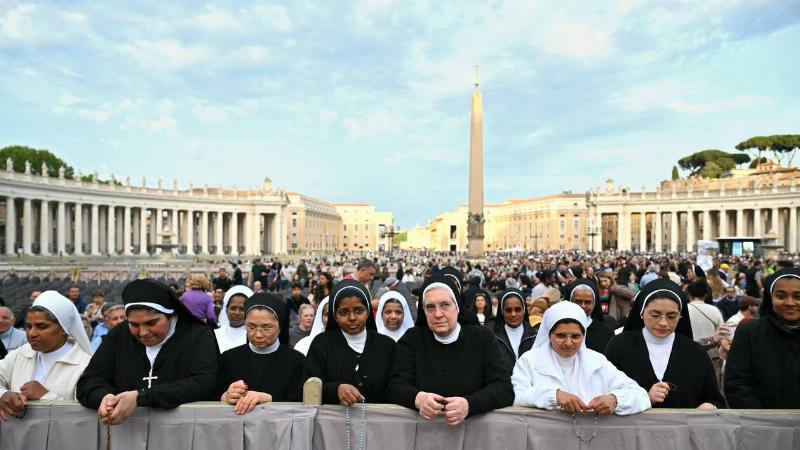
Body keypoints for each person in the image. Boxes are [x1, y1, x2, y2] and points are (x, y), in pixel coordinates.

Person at [76, 279, 219, 425]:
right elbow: (89, 381)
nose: (143, 333)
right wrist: (105, 398)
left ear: (171, 315)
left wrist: (142, 397)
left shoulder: (198, 335)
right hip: (127, 432)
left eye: (151, 323)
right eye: (134, 324)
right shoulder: (119, 335)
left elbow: (204, 383)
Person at [387, 275, 514, 426]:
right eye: (430, 307)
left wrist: (470, 405)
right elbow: (394, 386)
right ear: (423, 310)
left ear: (457, 306)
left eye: (445, 305)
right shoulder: (412, 339)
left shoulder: (482, 338)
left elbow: (504, 389)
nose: (438, 314)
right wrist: (418, 398)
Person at [511, 301, 649, 415]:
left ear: (584, 336)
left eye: (575, 336)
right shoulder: (529, 361)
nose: (568, 342)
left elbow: (640, 395)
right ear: (549, 334)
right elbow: (515, 396)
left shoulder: (597, 362)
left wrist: (615, 400)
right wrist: (554, 397)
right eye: (561, 335)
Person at [605, 279, 724, 409]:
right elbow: (604, 393)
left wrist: (709, 406)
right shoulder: (619, 346)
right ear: (641, 313)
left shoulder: (695, 352)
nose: (663, 323)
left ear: (680, 316)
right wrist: (644, 398)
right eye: (655, 315)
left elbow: (715, 399)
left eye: (672, 316)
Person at [0, 291, 92, 420]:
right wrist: (3, 394)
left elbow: (86, 417)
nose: (32, 333)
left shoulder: (84, 364)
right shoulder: (20, 354)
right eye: (29, 326)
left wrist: (45, 396)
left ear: (63, 330)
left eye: (41, 326)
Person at [305, 280, 395, 405]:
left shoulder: (387, 346)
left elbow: (396, 386)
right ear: (335, 315)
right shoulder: (322, 344)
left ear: (368, 312)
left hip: (379, 422)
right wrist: (335, 390)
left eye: (358, 311)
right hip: (332, 423)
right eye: (344, 312)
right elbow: (307, 385)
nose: (352, 317)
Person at [217, 293, 305, 414]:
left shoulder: (297, 361)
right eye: (251, 327)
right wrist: (225, 396)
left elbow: (300, 402)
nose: (258, 334)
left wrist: (268, 398)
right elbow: (211, 393)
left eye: (267, 328)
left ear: (280, 327)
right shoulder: (228, 358)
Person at [725, 268, 800, 408]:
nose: (790, 303)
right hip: (760, 425)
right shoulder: (749, 332)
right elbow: (737, 385)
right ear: (770, 298)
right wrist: (766, 421)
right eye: (781, 296)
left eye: (798, 296)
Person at [493, 288, 536, 373]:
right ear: (502, 312)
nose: (513, 314)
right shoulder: (493, 338)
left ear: (524, 310)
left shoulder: (535, 336)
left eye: (518, 309)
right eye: (508, 310)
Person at [566, 279, 614, 354]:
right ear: (570, 301)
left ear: (594, 304)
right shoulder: (557, 329)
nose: (583, 306)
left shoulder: (606, 332)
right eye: (578, 301)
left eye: (588, 302)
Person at [214, 286, 253, 353]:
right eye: (233, 308)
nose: (237, 313)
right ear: (226, 310)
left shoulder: (253, 336)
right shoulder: (216, 334)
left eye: (242, 309)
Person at [686, 280, 723, 344]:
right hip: (710, 349)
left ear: (689, 294)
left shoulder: (683, 309)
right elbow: (721, 333)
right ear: (705, 295)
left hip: (688, 347)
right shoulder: (715, 310)